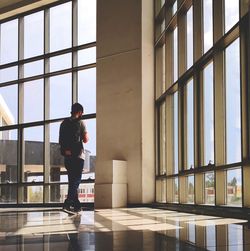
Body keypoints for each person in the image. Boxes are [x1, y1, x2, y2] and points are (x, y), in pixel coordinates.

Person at [59, 103, 89, 213]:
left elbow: (61, 140)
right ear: (80, 112)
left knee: (72, 181)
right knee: (76, 180)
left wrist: (66, 150)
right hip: (78, 155)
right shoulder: (81, 123)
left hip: (68, 155)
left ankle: (77, 206)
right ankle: (67, 203)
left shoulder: (63, 123)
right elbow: (85, 139)